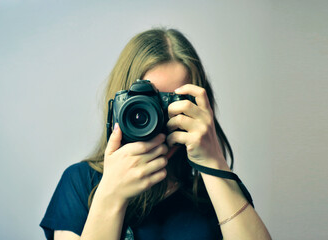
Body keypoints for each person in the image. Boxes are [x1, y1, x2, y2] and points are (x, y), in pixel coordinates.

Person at [40, 28, 271, 240]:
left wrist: (213, 163)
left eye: (170, 103)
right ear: (120, 106)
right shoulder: (82, 183)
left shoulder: (211, 191)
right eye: (148, 101)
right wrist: (110, 195)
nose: (157, 117)